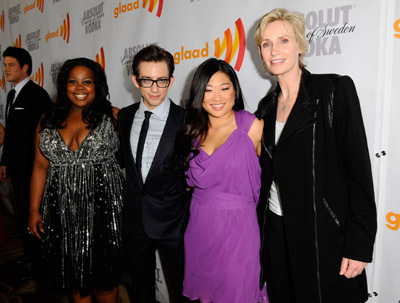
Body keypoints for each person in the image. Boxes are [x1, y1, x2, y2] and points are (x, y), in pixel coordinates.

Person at [254, 8, 377, 303]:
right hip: (276, 232)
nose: (274, 51)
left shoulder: (333, 90)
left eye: (283, 40)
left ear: (299, 44)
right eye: (266, 44)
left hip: (323, 234)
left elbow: (359, 173)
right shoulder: (265, 107)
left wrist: (358, 245)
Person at [28, 58, 124, 303]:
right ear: (64, 86)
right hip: (62, 212)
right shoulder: (47, 120)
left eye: (87, 82)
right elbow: (40, 167)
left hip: (103, 212)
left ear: (97, 85)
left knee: (105, 282)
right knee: (74, 280)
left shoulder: (113, 117)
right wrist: (33, 211)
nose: (79, 87)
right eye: (73, 81)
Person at [177, 58, 268, 303]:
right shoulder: (193, 132)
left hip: (240, 231)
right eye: (208, 89)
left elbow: (274, 177)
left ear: (235, 91)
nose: (216, 97)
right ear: (198, 94)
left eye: (224, 88)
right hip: (200, 229)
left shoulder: (251, 126)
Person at [118, 45, 187, 303]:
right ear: (135, 80)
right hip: (135, 219)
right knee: (141, 290)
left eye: (162, 80)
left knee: (182, 291)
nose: (155, 88)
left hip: (174, 221)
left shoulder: (185, 120)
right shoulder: (124, 117)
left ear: (171, 79)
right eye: (147, 80)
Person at [0, 46, 52, 267]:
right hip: (16, 168)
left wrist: (38, 168)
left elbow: (45, 136)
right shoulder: (12, 94)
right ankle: (30, 256)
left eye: (11, 65)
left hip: (33, 170)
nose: (6, 70)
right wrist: (4, 161)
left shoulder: (37, 95)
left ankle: (40, 262)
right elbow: (11, 133)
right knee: (23, 212)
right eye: (4, 65)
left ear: (25, 67)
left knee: (36, 214)